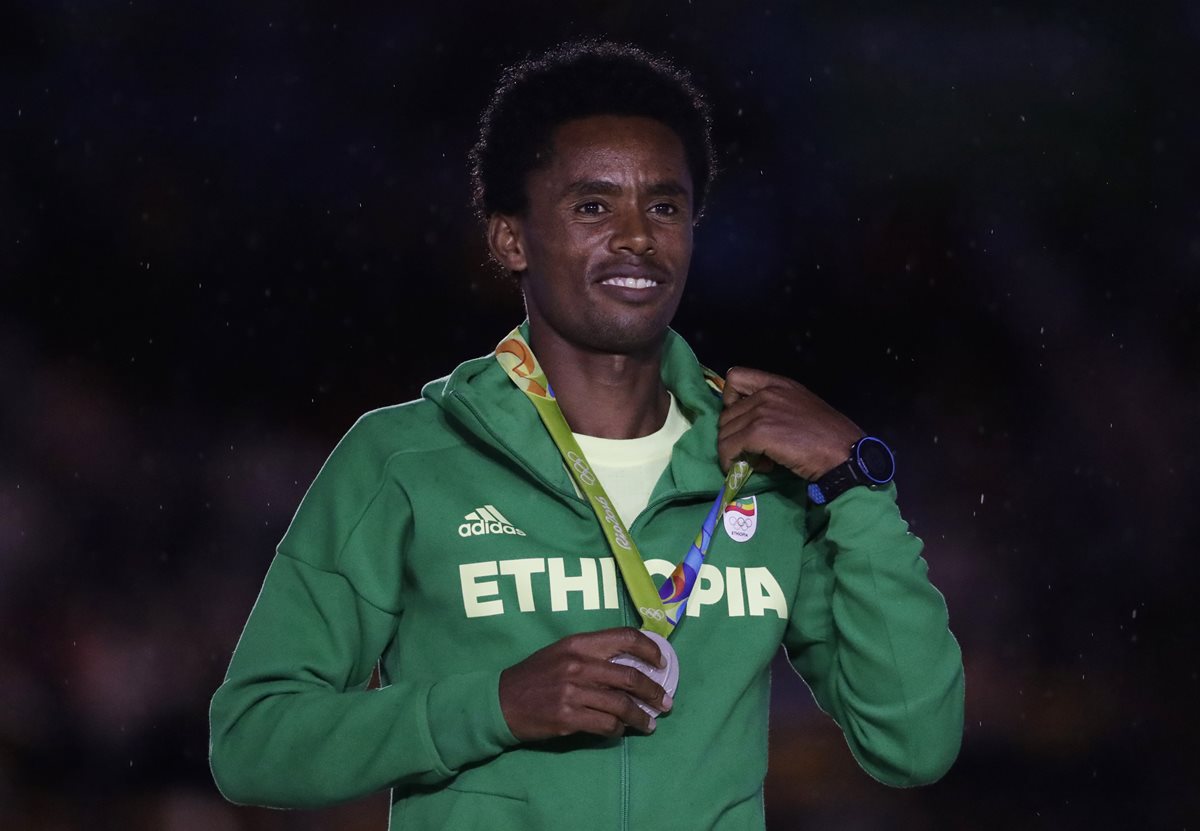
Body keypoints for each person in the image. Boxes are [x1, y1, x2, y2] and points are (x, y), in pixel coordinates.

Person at [209, 40, 964, 829]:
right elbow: (252, 740)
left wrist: (855, 483)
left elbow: (913, 744)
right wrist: (494, 704)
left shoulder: (763, 469)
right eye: (593, 206)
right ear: (511, 240)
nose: (638, 236)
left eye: (665, 206)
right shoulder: (406, 458)